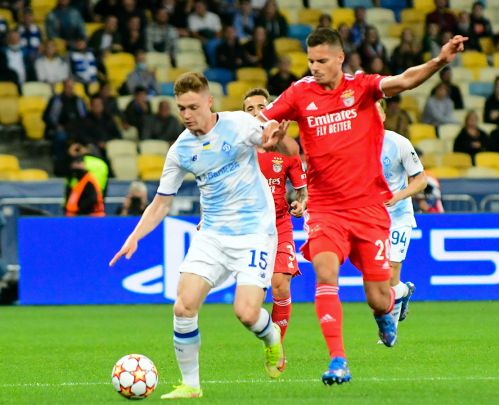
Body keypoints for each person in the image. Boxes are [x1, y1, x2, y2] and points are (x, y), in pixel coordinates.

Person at [258, 27, 467, 384]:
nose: (315, 67)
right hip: (325, 209)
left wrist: (439, 61)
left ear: (340, 58)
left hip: (369, 209)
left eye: (322, 60)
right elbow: (263, 119)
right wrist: (264, 132)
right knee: (325, 272)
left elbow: (404, 80)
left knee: (377, 296)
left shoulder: (362, 87)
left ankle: (388, 308)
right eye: (310, 61)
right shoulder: (300, 92)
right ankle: (338, 360)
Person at [110, 72, 291, 399]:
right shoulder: (180, 149)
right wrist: (134, 236)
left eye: (193, 107)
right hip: (212, 235)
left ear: (209, 102)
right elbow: (161, 203)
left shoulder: (238, 124)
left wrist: (271, 138)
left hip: (254, 232)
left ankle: (271, 337)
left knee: (246, 313)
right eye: (182, 108)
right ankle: (191, 385)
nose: (187, 115)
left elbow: (268, 138)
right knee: (183, 307)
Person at [243, 87, 307, 366]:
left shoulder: (287, 147)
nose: (257, 112)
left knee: (280, 285)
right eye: (250, 109)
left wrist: (301, 203)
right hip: (247, 228)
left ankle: (277, 348)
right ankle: (268, 335)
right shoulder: (238, 147)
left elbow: (302, 190)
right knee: (249, 305)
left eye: (262, 107)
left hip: (279, 224)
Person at [377, 100, 427, 333]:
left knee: (392, 267)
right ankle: (404, 291)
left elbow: (421, 180)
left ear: (383, 116)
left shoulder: (398, 143)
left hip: (398, 215)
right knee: (381, 279)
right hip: (370, 218)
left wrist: (398, 196)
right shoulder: (353, 145)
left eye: (376, 112)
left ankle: (390, 330)